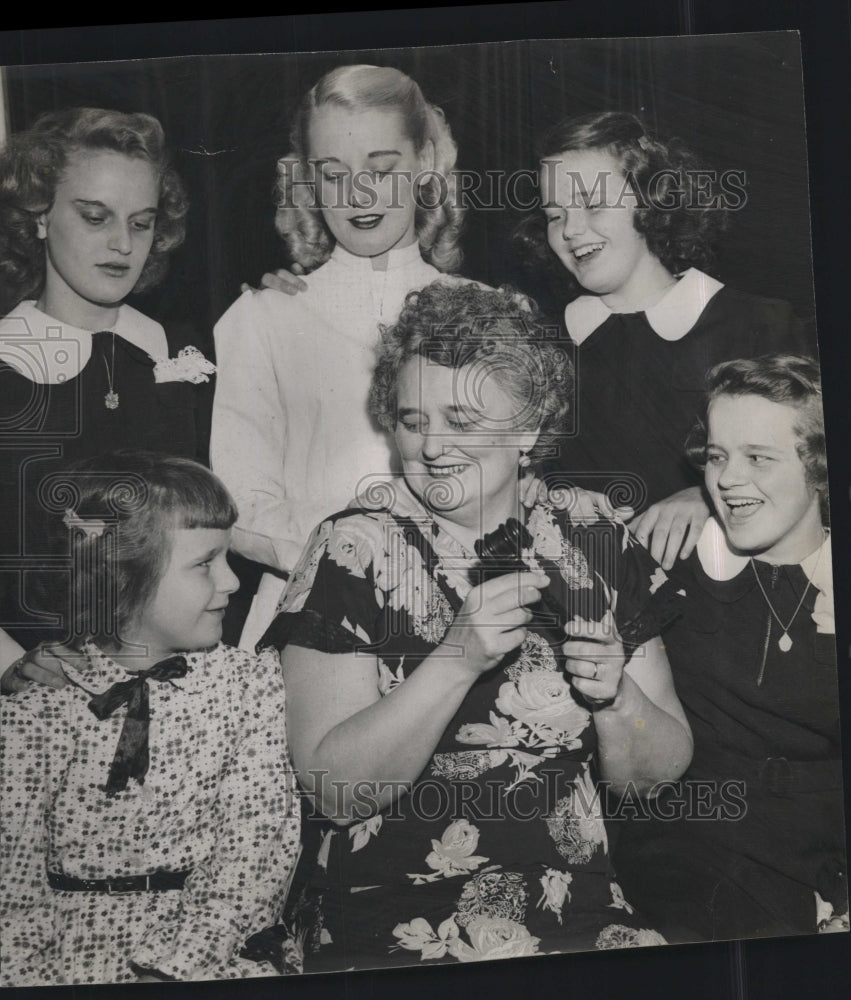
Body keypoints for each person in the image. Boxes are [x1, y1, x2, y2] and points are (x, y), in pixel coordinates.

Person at [248, 281, 692, 973]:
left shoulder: (594, 533)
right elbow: (334, 795)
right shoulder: (352, 548)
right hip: (388, 916)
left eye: (461, 417)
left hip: (573, 907)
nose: (431, 446)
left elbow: (649, 781)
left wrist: (618, 699)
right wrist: (453, 659)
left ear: (529, 427)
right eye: (411, 418)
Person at [0, 451, 300, 986]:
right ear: (121, 578)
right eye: (205, 563)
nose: (232, 582)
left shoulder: (250, 687)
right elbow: (12, 884)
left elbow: (256, 852)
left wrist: (177, 969)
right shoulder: (38, 703)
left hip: (211, 955)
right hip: (70, 965)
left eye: (227, 558)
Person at [210, 64, 467, 651]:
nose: (358, 196)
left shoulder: (482, 312)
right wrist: (361, 558)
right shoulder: (262, 319)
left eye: (382, 169)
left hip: (460, 615)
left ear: (425, 162)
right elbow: (241, 502)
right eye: (333, 175)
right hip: (307, 614)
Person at [612, 356, 847, 941]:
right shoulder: (668, 562)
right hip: (693, 847)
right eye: (717, 456)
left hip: (821, 857)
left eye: (758, 458)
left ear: (819, 466)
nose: (727, 479)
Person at [523, 111, 815, 570]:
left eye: (592, 205)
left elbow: (811, 466)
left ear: (650, 200)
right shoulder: (543, 345)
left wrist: (708, 495)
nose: (571, 230)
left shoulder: (759, 323)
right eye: (554, 216)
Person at [0, 107, 214, 674]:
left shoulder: (182, 353)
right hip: (36, 695)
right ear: (40, 215)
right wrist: (9, 664)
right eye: (95, 217)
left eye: (141, 222)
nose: (122, 243)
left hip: (180, 681)